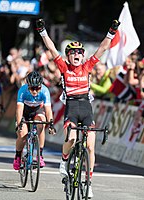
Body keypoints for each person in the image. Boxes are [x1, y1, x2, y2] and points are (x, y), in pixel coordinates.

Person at [36, 18, 120, 198]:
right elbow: (51, 48)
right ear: (68, 56)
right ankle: (64, 161)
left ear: (82, 56)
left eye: (79, 53)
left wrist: (111, 32)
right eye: (72, 52)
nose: (76, 55)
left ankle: (89, 183)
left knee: (90, 146)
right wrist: (42, 31)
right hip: (72, 108)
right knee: (72, 138)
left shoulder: (87, 66)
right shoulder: (64, 67)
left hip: (86, 108)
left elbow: (103, 48)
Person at [13, 71, 55, 170]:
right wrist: (19, 124)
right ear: (28, 86)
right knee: (22, 135)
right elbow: (19, 110)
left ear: (41, 86)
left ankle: (39, 155)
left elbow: (48, 110)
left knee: (42, 122)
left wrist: (51, 124)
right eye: (32, 88)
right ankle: (18, 156)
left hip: (37, 111)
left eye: (37, 88)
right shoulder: (23, 91)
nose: (35, 91)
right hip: (25, 112)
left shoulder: (45, 91)